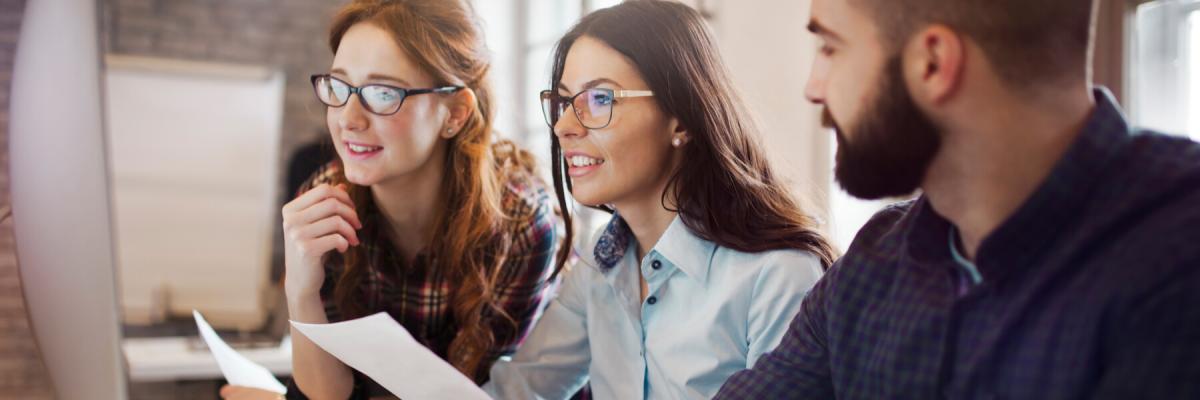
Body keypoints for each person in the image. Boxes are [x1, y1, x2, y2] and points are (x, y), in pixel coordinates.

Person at [715, 0, 1200, 398]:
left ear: (934, 64)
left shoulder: (1176, 259)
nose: (813, 88)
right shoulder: (873, 266)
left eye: (830, 47)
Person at [483, 1, 836, 399]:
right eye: (564, 102)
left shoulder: (778, 276)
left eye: (600, 99)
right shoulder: (600, 268)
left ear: (681, 119)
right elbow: (517, 391)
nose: (564, 126)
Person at [220, 1, 564, 399]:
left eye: (383, 93)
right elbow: (328, 394)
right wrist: (300, 288)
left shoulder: (517, 222)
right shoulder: (326, 200)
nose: (348, 118)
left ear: (455, 113)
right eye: (339, 86)